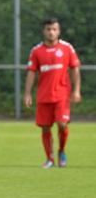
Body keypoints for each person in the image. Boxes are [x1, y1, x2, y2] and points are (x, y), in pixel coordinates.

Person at [23, 17, 81, 169]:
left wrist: (76, 90)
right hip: (44, 96)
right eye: (48, 29)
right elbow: (31, 72)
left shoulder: (67, 48)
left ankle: (61, 151)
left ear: (59, 31)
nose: (51, 32)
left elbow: (75, 69)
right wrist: (27, 93)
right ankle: (49, 158)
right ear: (44, 31)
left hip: (62, 94)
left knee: (62, 124)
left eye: (54, 29)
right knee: (45, 127)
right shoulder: (36, 51)